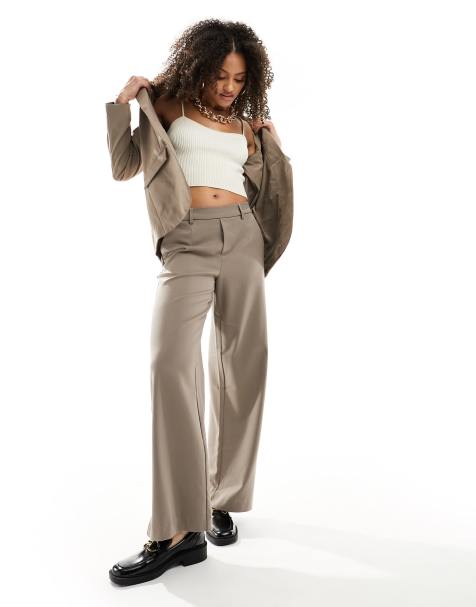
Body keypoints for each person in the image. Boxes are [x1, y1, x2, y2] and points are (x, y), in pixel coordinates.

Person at [106, 18, 292, 586]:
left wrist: (271, 143)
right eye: (220, 76)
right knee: (170, 366)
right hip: (186, 240)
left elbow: (266, 187)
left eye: (239, 79)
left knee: (242, 366)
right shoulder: (169, 106)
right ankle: (176, 530)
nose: (230, 87)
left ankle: (218, 498)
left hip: (242, 237)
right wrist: (123, 103)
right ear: (199, 68)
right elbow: (124, 165)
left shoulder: (243, 127)